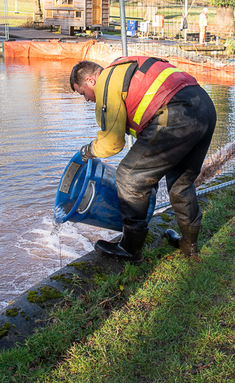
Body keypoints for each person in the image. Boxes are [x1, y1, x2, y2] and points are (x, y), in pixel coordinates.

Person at [70, 56, 217, 262]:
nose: (86, 99)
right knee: (181, 184)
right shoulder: (124, 70)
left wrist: (87, 151)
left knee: (129, 177)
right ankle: (189, 246)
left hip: (176, 113)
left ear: (91, 81)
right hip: (204, 107)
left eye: (82, 93)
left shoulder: (106, 83)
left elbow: (112, 143)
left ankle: (130, 249)